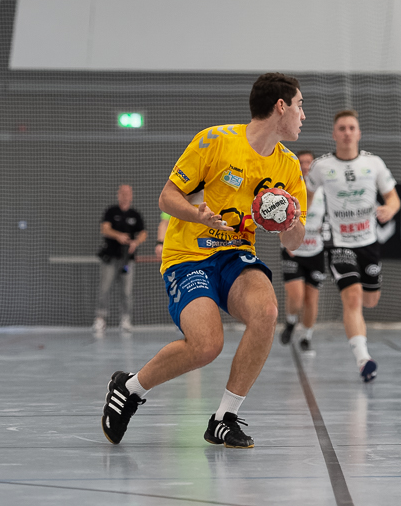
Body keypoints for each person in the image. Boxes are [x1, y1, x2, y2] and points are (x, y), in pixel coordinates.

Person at [101, 72, 306, 449]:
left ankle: (224, 418)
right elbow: (167, 198)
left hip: (236, 256)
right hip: (188, 256)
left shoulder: (288, 166)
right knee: (206, 345)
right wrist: (199, 216)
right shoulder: (215, 140)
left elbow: (295, 241)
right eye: (299, 105)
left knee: (267, 312)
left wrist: (289, 221)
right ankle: (129, 388)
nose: (302, 115)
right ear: (281, 106)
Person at [306, 110, 400, 382]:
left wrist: (390, 209)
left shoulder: (374, 163)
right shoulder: (321, 166)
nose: (347, 133)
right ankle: (363, 359)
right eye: (342, 128)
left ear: (359, 133)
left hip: (368, 242)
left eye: (351, 128)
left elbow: (393, 198)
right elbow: (307, 197)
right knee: (353, 298)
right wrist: (299, 222)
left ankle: (362, 352)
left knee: (370, 300)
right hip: (338, 243)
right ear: (334, 134)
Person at [279, 151, 326, 352]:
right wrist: (287, 241)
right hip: (293, 251)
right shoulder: (289, 189)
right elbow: (278, 218)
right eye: (302, 162)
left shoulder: (323, 191)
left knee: (311, 298)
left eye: (309, 162)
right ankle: (291, 322)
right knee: (296, 296)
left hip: (316, 251)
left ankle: (306, 335)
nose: (306, 166)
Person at [94, 184, 147, 333]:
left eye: (128, 193)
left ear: (131, 195)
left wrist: (135, 242)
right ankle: (100, 319)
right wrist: (118, 236)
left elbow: (143, 233)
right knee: (104, 288)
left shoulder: (135, 215)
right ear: (118, 194)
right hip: (110, 259)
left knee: (126, 290)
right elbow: (105, 228)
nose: (125, 195)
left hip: (126, 260)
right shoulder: (111, 212)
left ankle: (125, 320)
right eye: (122, 193)